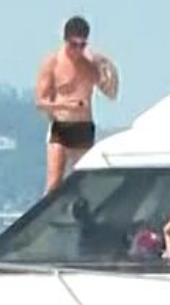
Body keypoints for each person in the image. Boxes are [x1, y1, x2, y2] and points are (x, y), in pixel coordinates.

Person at [36, 16, 120, 194]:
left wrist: (109, 67)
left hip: (83, 127)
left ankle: (79, 215)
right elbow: (40, 102)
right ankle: (47, 217)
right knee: (54, 183)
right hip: (61, 126)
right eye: (73, 45)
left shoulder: (88, 64)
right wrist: (66, 105)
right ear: (65, 41)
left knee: (84, 182)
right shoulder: (53, 63)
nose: (77, 50)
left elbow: (111, 93)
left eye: (82, 45)